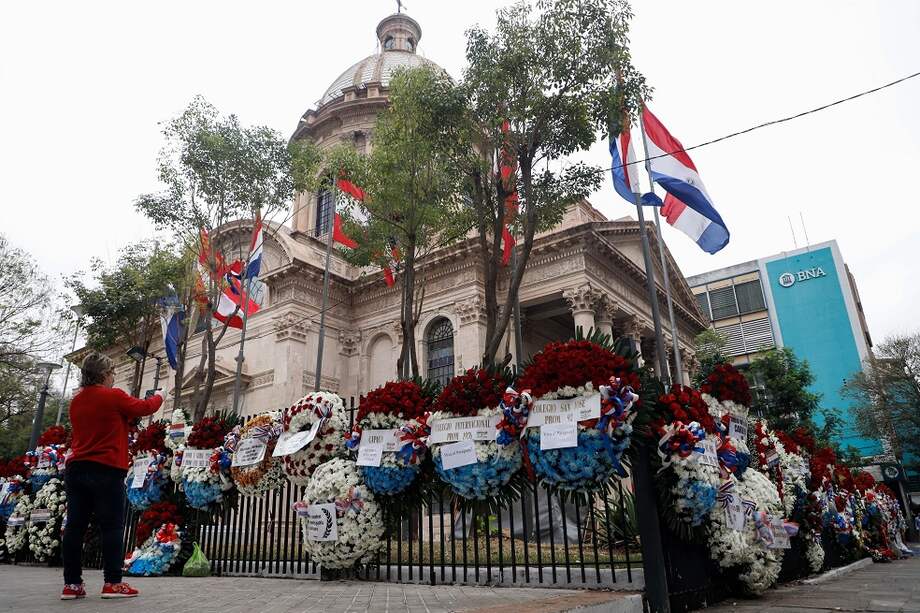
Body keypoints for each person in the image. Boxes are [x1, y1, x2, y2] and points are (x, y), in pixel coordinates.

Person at [61, 352, 163, 600]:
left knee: (75, 526)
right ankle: (112, 583)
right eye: (113, 373)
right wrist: (161, 395)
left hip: (76, 469)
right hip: (106, 468)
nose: (114, 377)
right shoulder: (113, 396)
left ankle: (72, 585)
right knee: (112, 526)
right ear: (105, 374)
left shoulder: (77, 401)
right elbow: (144, 407)